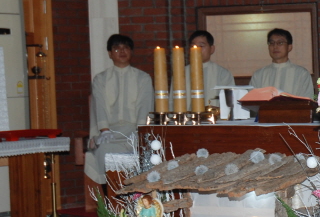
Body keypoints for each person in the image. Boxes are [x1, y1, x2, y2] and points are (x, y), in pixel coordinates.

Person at [84, 34, 154, 185]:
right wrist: (104, 130)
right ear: (110, 53)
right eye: (117, 48)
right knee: (104, 150)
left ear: (131, 51)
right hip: (110, 132)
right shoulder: (101, 79)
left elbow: (145, 105)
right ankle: (110, 193)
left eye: (126, 48)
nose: (122, 51)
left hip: (134, 131)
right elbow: (100, 105)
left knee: (142, 151)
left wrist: (140, 131)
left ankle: (136, 192)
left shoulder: (143, 78)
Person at [170, 30, 235, 110]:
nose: (197, 49)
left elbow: (229, 102)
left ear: (212, 49)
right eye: (193, 46)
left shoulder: (223, 73)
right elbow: (172, 102)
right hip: (187, 116)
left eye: (201, 46)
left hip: (214, 116)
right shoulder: (181, 73)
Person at [249, 28, 314, 98]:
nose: (275, 46)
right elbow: (251, 99)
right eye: (272, 43)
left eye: (280, 43)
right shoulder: (259, 75)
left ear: (289, 47)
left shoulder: (301, 74)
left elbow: (307, 99)